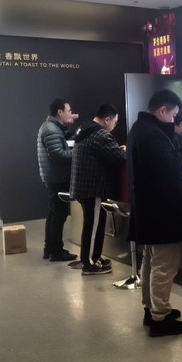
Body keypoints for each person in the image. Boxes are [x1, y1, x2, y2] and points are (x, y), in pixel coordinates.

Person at [127, 89, 182, 337]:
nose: (174, 120)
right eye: (173, 115)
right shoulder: (153, 135)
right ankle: (160, 317)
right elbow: (170, 168)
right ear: (162, 110)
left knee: (151, 260)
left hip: (149, 210)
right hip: (163, 211)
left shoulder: (139, 129)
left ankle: (151, 308)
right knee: (164, 265)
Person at [70, 103, 127, 276]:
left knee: (92, 224)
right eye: (114, 122)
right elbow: (120, 157)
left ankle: (94, 256)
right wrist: (124, 150)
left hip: (82, 186)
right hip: (93, 188)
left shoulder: (84, 129)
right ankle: (89, 264)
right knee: (93, 226)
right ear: (107, 119)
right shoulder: (101, 134)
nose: (114, 126)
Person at [37, 98, 79, 262]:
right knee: (59, 215)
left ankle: (49, 248)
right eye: (68, 111)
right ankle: (56, 251)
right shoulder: (51, 130)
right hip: (57, 177)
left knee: (54, 213)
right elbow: (58, 155)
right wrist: (78, 152)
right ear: (60, 112)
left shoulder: (51, 127)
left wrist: (69, 124)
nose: (71, 113)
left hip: (53, 176)